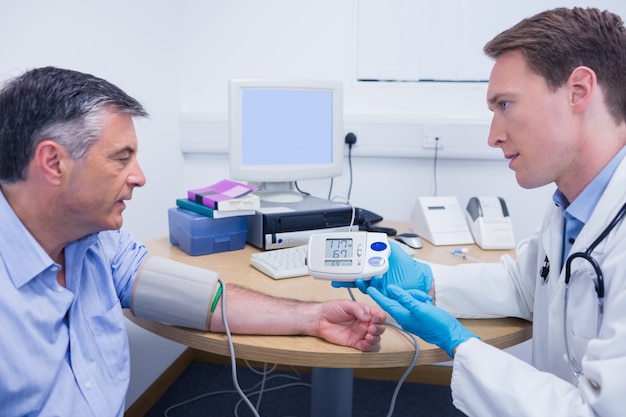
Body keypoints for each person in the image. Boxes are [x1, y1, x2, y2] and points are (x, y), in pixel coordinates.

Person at [0, 66, 387, 417]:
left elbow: (202, 300)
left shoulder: (98, 242)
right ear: (53, 163)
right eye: (122, 158)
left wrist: (312, 317)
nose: (139, 177)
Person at [355, 7, 626, 417]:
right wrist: (428, 280)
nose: (493, 136)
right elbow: (528, 285)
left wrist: (461, 344)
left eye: (505, 104)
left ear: (578, 90)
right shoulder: (574, 206)